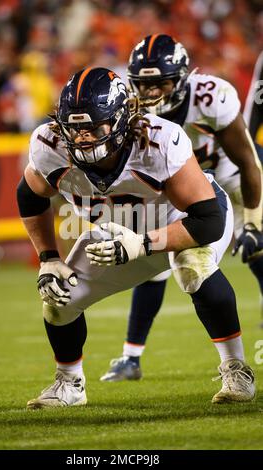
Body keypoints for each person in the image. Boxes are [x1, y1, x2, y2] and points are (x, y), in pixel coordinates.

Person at [17, 67, 255, 409]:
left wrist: (142, 244)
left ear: (121, 120)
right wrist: (48, 258)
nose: (83, 138)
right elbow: (30, 196)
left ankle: (235, 367)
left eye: (93, 127)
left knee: (193, 266)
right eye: (75, 129)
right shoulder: (49, 146)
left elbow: (209, 221)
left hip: (181, 222)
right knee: (58, 297)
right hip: (117, 235)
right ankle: (70, 383)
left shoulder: (158, 141)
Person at [100, 34, 263, 383]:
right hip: (178, 188)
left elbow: (248, 161)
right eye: (143, 85)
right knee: (155, 257)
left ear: (182, 77)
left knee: (257, 249)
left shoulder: (210, 97)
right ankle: (131, 358)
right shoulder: (127, 111)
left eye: (160, 83)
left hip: (227, 178)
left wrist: (252, 220)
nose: (151, 93)